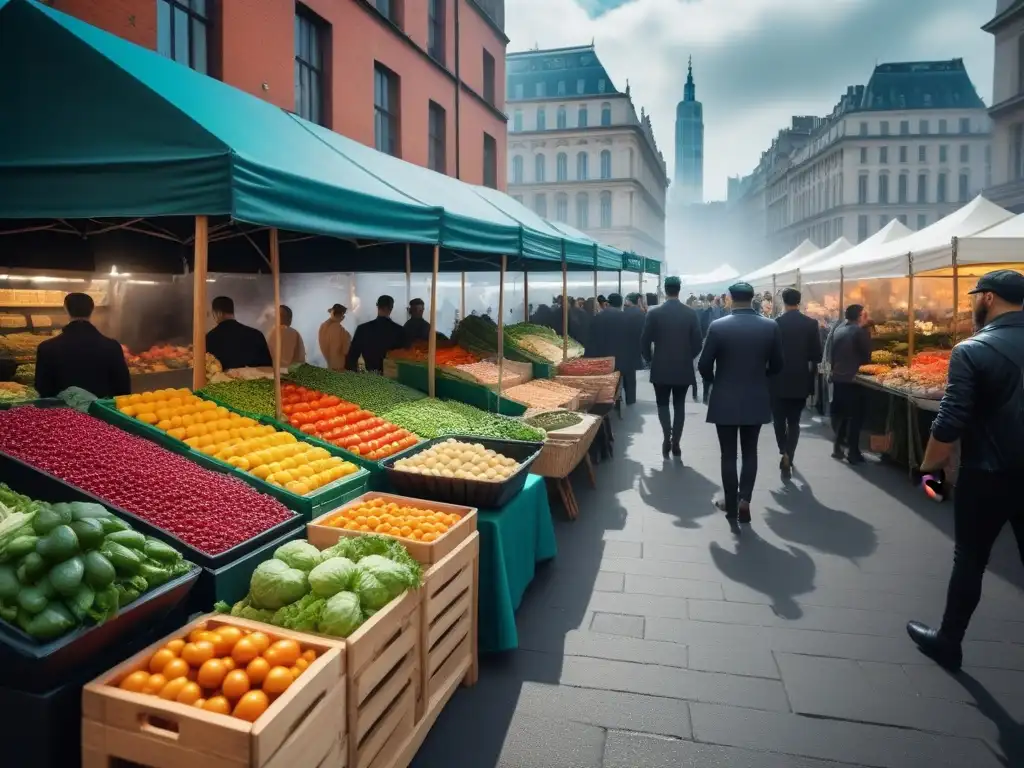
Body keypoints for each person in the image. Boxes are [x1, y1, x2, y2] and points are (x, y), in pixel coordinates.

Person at [907, 270, 1024, 672]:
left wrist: (927, 470)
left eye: (977, 296)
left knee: (970, 559)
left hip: (987, 472)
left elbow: (950, 419)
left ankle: (949, 642)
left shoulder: (973, 349)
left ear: (988, 298)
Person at [699, 281, 784, 526]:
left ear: (730, 299)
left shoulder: (718, 326)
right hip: (756, 395)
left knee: (728, 454)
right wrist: (760, 376)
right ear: (753, 298)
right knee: (750, 451)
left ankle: (731, 506)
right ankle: (745, 499)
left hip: (725, 396)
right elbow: (778, 365)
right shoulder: (770, 326)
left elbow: (704, 365)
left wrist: (715, 380)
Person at [641, 277, 703, 457]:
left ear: (665, 291)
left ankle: (666, 436)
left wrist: (650, 359)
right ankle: (676, 440)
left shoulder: (654, 313)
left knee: (662, 403)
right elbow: (698, 343)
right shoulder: (690, 314)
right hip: (682, 367)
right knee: (679, 405)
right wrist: (687, 356)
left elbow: (644, 340)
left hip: (660, 366)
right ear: (679, 290)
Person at [34, 292, 131, 399]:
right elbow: (123, 389)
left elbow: (42, 389)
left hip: (62, 414)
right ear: (92, 310)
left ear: (66, 309)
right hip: (101, 413)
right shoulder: (112, 346)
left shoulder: (47, 348)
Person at [771, 288, 822, 478]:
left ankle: (782, 449)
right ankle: (789, 456)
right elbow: (816, 355)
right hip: (800, 379)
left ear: (783, 301)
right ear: (799, 302)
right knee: (794, 421)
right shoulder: (810, 324)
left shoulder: (775, 324)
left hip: (777, 379)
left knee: (778, 419)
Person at [829, 304, 872, 463]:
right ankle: (853, 452)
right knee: (855, 416)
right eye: (864, 314)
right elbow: (867, 357)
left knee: (843, 415)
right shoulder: (859, 332)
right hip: (853, 379)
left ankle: (838, 447)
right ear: (860, 316)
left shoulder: (839, 329)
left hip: (839, 377)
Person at [585, 293, 637, 404]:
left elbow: (591, 339)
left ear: (608, 303)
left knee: (607, 382)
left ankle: (606, 400)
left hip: (604, 356)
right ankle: (630, 399)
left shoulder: (598, 317)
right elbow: (633, 338)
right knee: (628, 377)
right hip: (624, 355)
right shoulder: (628, 318)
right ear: (621, 303)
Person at [206, 296, 272, 371]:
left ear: (217, 313)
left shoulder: (210, 338)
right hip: (254, 382)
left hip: (220, 382)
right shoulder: (256, 334)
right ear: (232, 311)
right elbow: (268, 368)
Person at [345, 295, 405, 373]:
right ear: (391, 308)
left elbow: (351, 358)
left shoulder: (362, 329)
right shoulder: (399, 330)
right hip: (392, 377)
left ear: (377, 306)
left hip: (370, 376)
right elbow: (404, 359)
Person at [622, 293, 647, 396]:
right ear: (638, 301)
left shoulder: (624, 313)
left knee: (625, 373)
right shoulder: (642, 314)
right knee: (631, 374)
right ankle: (631, 397)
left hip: (625, 346)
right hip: (638, 346)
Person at [318, 304, 351, 371]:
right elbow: (346, 351)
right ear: (342, 315)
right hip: (339, 368)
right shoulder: (341, 331)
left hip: (329, 365)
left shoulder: (323, 326)